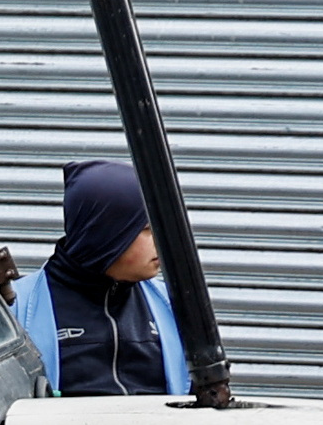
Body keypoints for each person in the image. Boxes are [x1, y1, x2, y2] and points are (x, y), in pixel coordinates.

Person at [10, 159, 192, 398]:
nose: (161, 239)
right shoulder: (15, 307)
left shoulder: (173, 304)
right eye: (148, 229)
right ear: (106, 232)